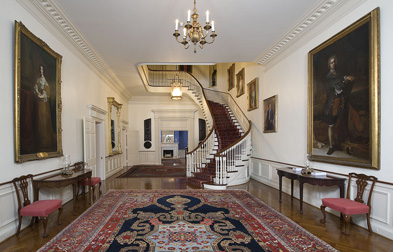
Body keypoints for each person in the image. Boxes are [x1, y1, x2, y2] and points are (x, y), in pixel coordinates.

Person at [322, 56, 355, 155]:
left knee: (337, 123)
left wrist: (345, 79)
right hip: (332, 103)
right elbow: (336, 86)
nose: (333, 64)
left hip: (339, 101)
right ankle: (331, 146)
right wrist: (345, 79)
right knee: (331, 125)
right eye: (331, 62)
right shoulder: (328, 77)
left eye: (334, 62)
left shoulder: (338, 74)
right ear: (329, 64)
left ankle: (335, 143)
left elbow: (342, 84)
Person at [34, 65, 54, 150]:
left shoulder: (45, 82)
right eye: (40, 69)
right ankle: (40, 141)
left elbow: (48, 93)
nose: (41, 70)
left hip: (44, 105)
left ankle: (46, 142)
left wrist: (42, 96)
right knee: (40, 121)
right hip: (39, 104)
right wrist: (37, 92)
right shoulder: (37, 81)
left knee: (45, 122)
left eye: (42, 69)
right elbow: (35, 90)